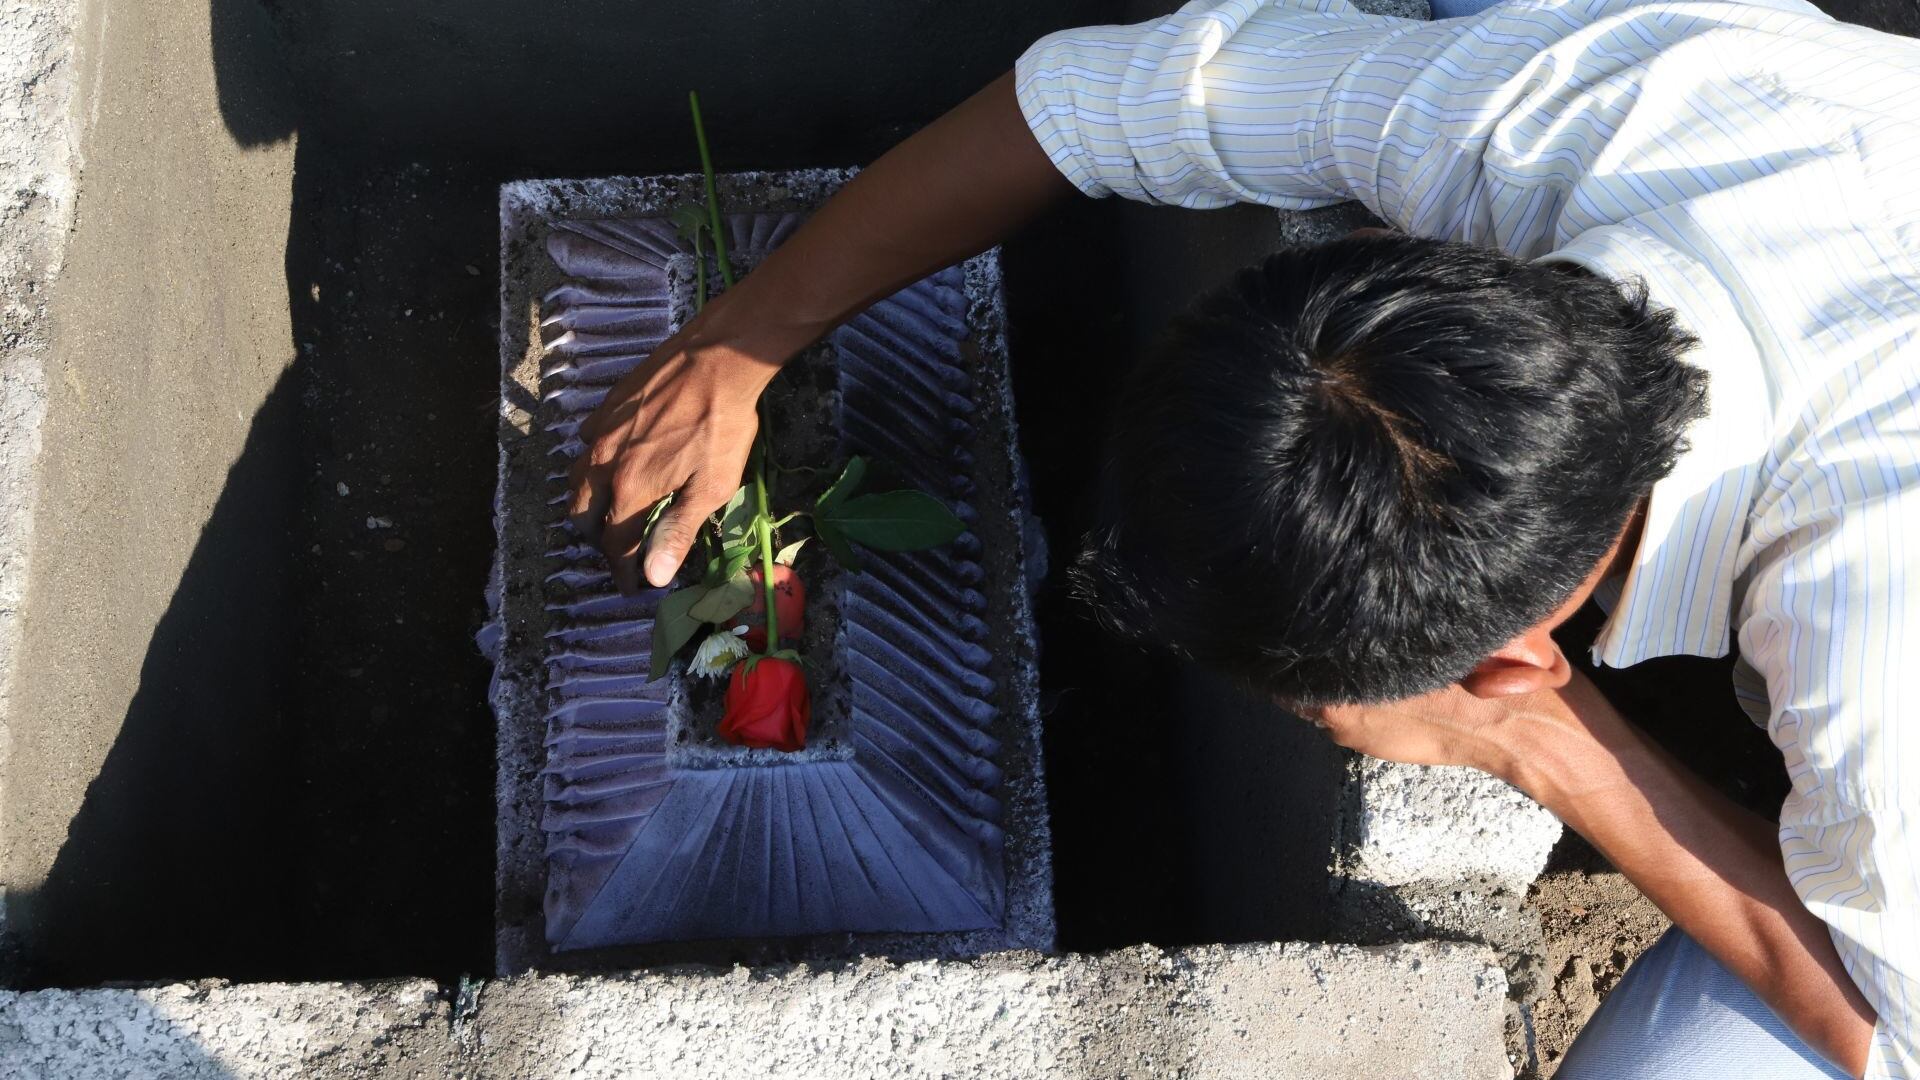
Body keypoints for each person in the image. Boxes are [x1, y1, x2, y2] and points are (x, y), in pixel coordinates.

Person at [565, 0, 1919, 1074]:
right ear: (1384, 269)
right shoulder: (1537, 107)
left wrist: (1550, 750)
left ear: (1514, 656)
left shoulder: (1871, 664)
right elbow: (1091, 101)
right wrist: (741, 342)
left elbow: (1897, 1040)